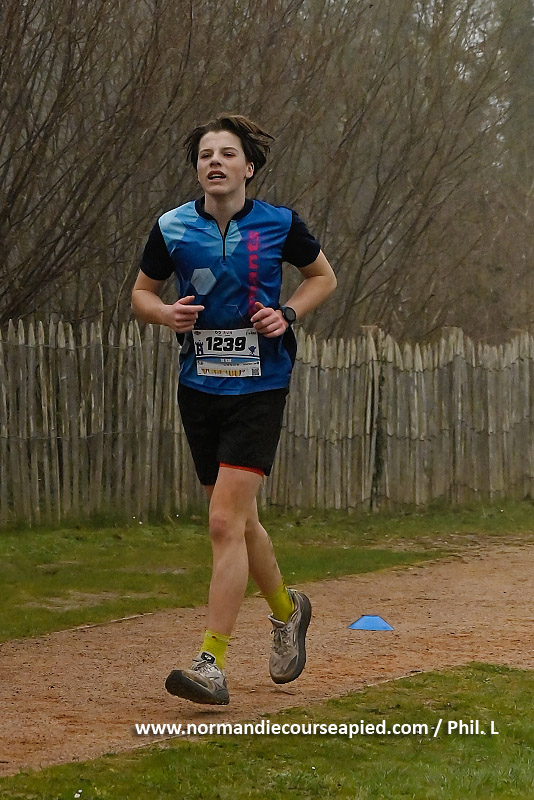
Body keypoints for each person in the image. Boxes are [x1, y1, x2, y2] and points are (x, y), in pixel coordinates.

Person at [131, 113, 336, 705]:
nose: (214, 162)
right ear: (197, 169)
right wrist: (165, 314)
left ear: (249, 166)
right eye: (205, 155)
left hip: (260, 385)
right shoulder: (171, 226)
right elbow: (141, 293)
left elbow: (322, 277)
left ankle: (211, 663)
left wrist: (287, 313)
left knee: (223, 522)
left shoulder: (280, 224)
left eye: (226, 153)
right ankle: (287, 612)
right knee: (239, 521)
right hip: (199, 387)